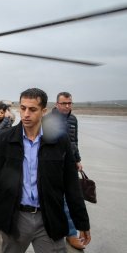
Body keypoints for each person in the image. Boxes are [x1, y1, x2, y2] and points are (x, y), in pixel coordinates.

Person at [0, 88, 91, 253]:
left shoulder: (60, 141)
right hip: (15, 218)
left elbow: (71, 184)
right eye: (23, 108)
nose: (26, 114)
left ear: (43, 111)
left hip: (49, 218)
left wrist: (82, 222)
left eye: (32, 109)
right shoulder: (4, 138)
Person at [51, 91, 84, 250]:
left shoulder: (73, 119)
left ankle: (71, 232)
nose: (67, 106)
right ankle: (69, 233)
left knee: (70, 197)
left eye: (69, 103)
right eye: (64, 103)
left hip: (69, 164)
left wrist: (77, 159)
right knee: (60, 199)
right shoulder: (49, 120)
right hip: (55, 165)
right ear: (57, 104)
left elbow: (74, 141)